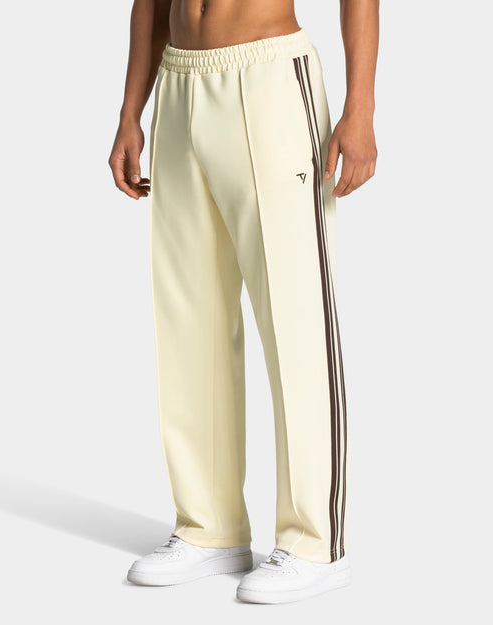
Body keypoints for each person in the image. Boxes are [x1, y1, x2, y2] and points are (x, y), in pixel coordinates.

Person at [108, 0, 378, 605]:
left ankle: (316, 544)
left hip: (269, 76)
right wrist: (131, 112)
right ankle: (209, 527)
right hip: (178, 82)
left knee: (296, 316)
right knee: (189, 317)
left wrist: (360, 107)